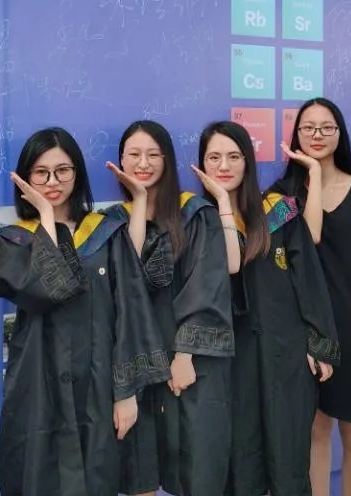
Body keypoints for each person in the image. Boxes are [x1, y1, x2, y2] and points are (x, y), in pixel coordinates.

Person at [0, 127, 171, 496]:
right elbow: (48, 290)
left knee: (102, 472)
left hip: (101, 378)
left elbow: (130, 309)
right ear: (26, 178)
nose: (52, 182)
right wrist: (46, 216)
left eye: (63, 171)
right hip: (40, 380)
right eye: (41, 173)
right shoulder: (12, 240)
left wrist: (126, 392)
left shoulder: (107, 232)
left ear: (77, 173)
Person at [196, 120, 340, 496]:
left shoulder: (277, 212)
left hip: (284, 354)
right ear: (201, 163)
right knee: (240, 460)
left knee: (288, 458)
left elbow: (308, 279)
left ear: (248, 161)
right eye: (214, 157)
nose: (224, 165)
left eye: (233, 156)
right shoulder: (197, 220)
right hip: (229, 362)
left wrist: (318, 342)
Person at [270, 97, 351, 496]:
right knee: (314, 430)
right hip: (304, 330)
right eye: (308, 127)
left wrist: (349, 311)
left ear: (340, 134)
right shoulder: (281, 196)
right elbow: (291, 253)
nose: (318, 134)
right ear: (296, 135)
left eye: (327, 127)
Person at [107, 120, 234, 496]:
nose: (143, 163)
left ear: (167, 159)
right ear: (121, 160)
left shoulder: (194, 213)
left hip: (189, 362)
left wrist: (185, 354)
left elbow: (206, 283)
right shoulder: (111, 221)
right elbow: (125, 281)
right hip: (137, 360)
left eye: (153, 154)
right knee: (140, 468)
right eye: (134, 154)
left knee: (196, 465)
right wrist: (139, 200)